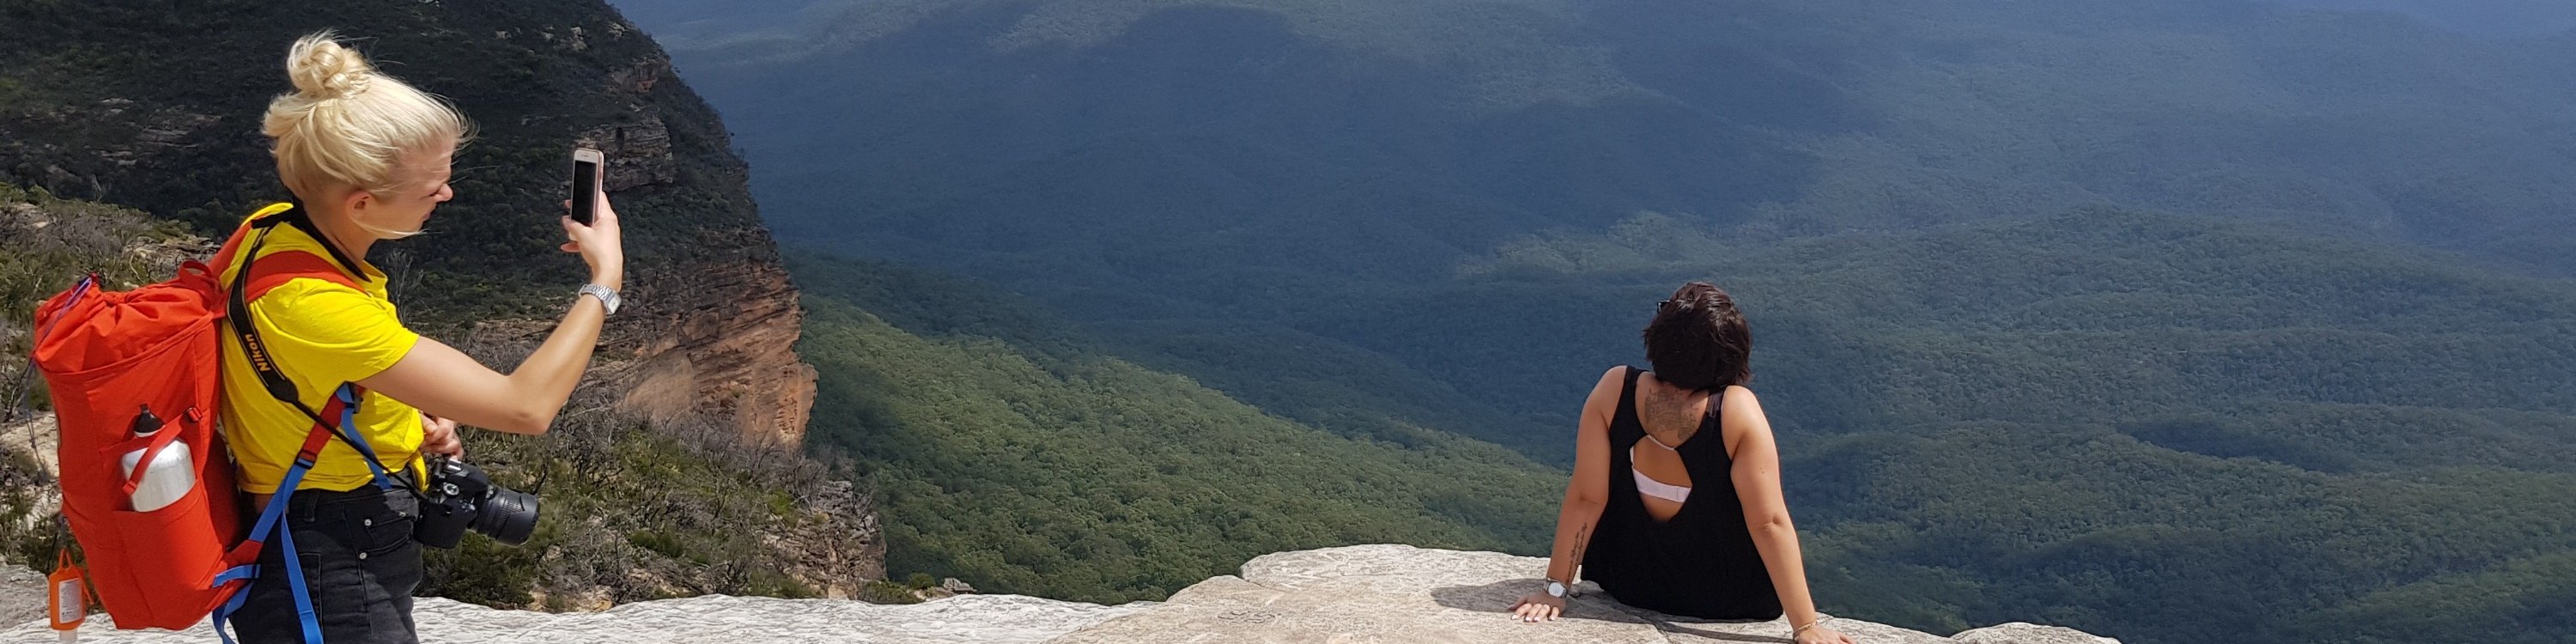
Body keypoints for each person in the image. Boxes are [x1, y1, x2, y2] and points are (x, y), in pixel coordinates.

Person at [219, 31, 624, 643]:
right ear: (360, 205)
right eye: (431, 185)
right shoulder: (314, 306)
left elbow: (308, 374)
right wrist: (605, 280)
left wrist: (406, 418)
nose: (447, 193)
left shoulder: (270, 232)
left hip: (335, 539)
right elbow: (526, 405)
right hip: (329, 568)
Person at [1510, 282, 1856, 644]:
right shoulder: (1736, 412)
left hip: (1631, 584)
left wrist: (1555, 591)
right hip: (1726, 600)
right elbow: (1767, 521)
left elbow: (1586, 497)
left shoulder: (1615, 390)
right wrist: (1806, 626)